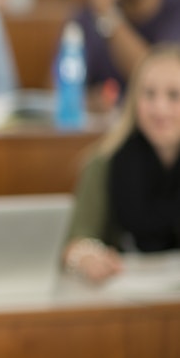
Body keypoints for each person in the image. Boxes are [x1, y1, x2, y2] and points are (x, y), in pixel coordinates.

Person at [64, 44, 180, 283]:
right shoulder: (104, 161)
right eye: (149, 94)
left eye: (173, 96)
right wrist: (87, 258)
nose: (160, 108)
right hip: (123, 292)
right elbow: (77, 239)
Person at [72, 0, 180, 112]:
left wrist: (107, 14)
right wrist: (83, 102)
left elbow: (156, 79)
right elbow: (55, 93)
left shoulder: (176, 11)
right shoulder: (87, 15)